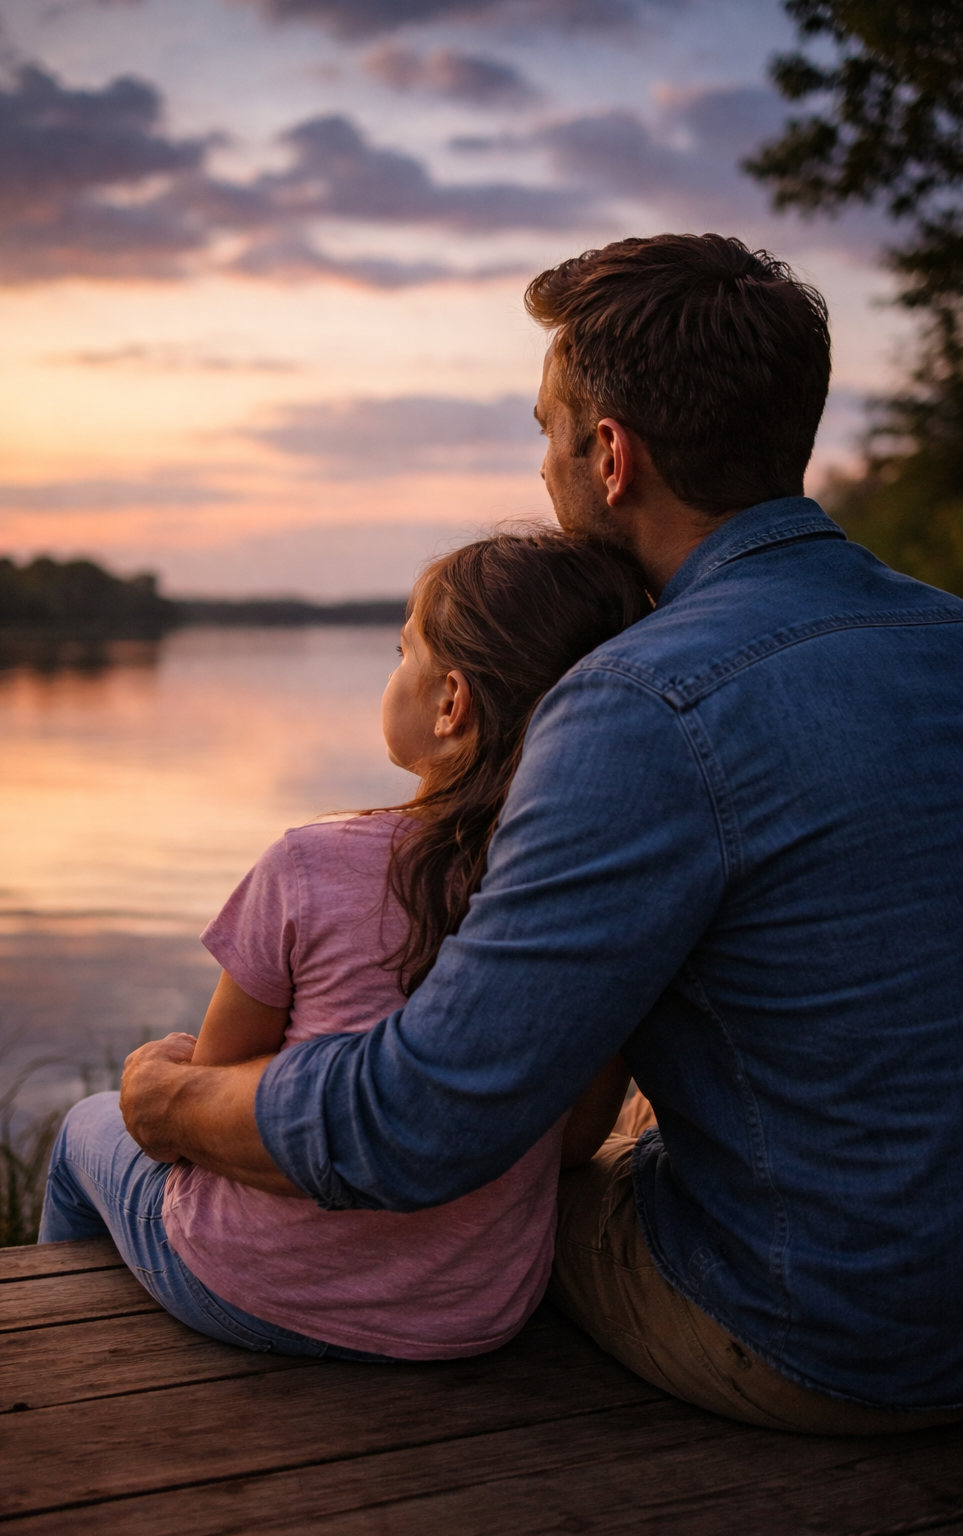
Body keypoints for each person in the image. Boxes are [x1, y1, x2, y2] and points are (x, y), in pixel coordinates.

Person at [119, 232, 963, 1432]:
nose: (545, 475)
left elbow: (419, 1127)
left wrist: (172, 1106)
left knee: (497, 1217)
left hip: (829, 1333)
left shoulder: (642, 702)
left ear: (610, 456)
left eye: (546, 433)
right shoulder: (943, 632)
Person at [40, 532, 649, 1359]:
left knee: (85, 1126)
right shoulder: (588, 898)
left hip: (254, 1289)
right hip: (472, 1314)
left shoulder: (309, 865)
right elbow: (574, 1144)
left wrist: (175, 1073)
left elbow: (204, 1118)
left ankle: (45, 1356)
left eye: (404, 651)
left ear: (450, 703)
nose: (392, 672)